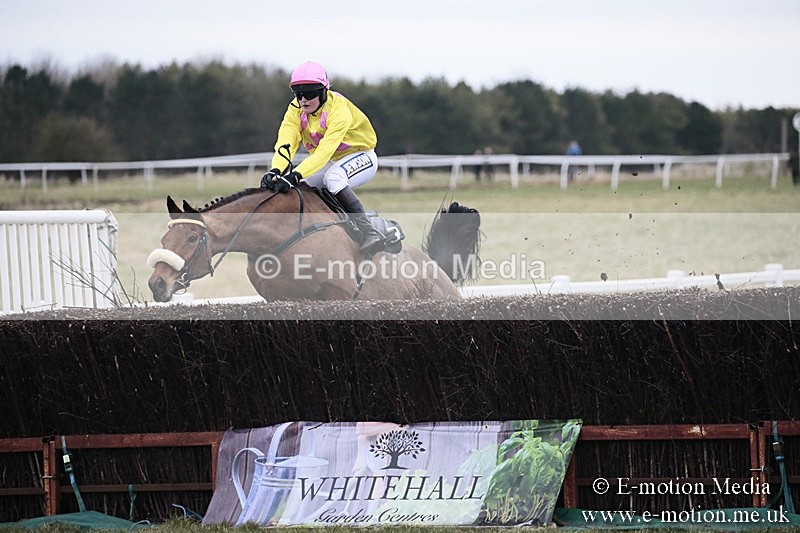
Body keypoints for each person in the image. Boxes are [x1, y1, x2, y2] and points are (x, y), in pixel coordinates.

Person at [261, 60, 383, 253]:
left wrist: (295, 175)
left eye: (309, 94)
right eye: (298, 94)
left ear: (324, 91)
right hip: (331, 160)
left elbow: (324, 152)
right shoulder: (295, 109)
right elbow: (286, 143)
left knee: (333, 178)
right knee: (301, 187)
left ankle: (369, 232)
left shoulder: (338, 109)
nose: (303, 100)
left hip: (362, 156)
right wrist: (276, 170)